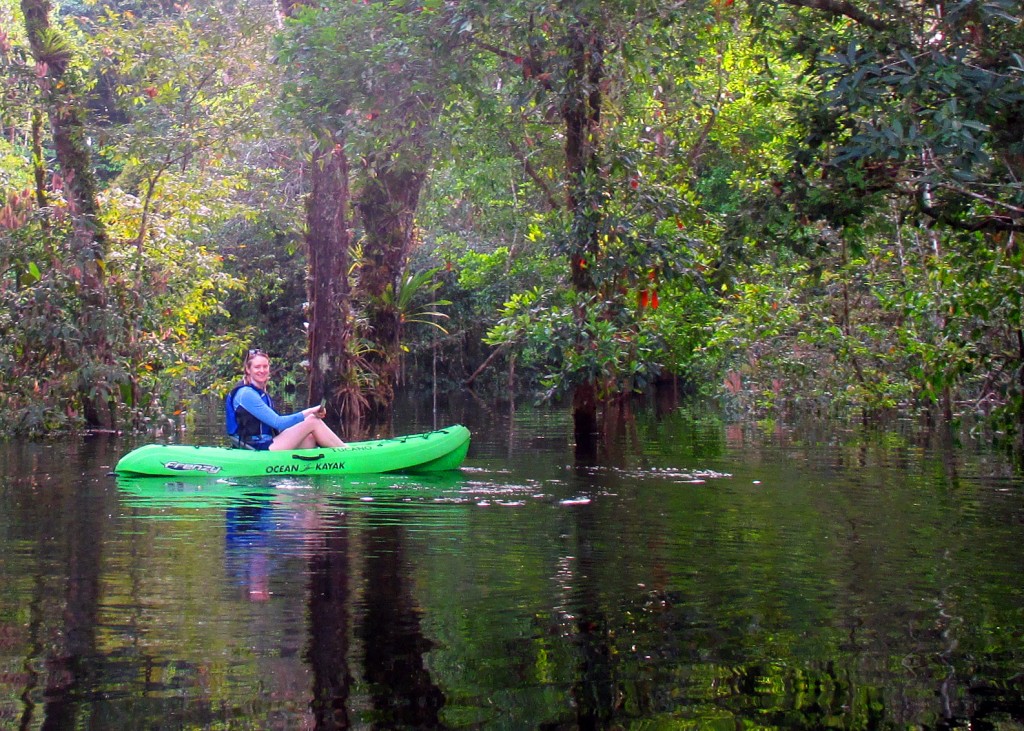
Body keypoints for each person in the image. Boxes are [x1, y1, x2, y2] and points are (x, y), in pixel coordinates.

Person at [226, 349, 346, 450]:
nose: (262, 370)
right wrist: (310, 412)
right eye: (257, 367)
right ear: (248, 369)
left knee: (310, 438)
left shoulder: (261, 392)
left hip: (265, 443)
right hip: (255, 447)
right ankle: (346, 453)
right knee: (313, 421)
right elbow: (278, 423)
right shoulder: (246, 394)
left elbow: (278, 428)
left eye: (265, 366)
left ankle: (311, 470)